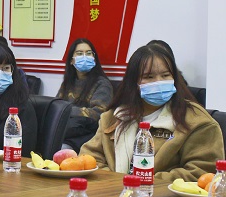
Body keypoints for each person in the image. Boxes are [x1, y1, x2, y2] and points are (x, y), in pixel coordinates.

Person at [80, 44, 224, 181]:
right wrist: (118, 183)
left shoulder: (197, 121)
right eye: (149, 77)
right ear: (134, 83)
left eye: (165, 75)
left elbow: (202, 173)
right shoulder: (114, 117)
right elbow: (89, 159)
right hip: (115, 194)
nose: (158, 82)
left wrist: (144, 181)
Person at [56, 38, 113, 152]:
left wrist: (67, 111)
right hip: (65, 134)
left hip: (87, 138)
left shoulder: (102, 84)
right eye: (79, 53)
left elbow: (99, 114)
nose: (84, 57)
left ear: (94, 58)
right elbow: (56, 107)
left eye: (88, 53)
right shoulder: (68, 83)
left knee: (61, 150)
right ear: (71, 60)